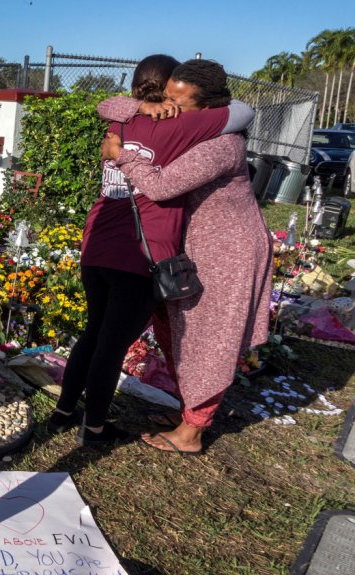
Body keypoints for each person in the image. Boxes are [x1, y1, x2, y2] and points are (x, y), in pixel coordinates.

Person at [49, 54, 254, 445]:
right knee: (112, 344)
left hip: (98, 244)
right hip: (143, 251)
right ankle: (93, 429)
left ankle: (62, 413)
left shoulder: (120, 119)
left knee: (93, 332)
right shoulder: (186, 125)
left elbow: (103, 103)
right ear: (171, 91)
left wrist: (136, 108)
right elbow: (241, 112)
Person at [101, 59, 274, 455]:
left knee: (207, 339)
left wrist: (122, 154)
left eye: (181, 102)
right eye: (166, 98)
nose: (171, 108)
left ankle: (193, 431)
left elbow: (162, 187)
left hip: (227, 252)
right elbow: (110, 105)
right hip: (193, 249)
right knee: (172, 326)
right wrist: (143, 107)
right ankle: (186, 409)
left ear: (211, 109)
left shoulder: (221, 144)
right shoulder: (187, 130)